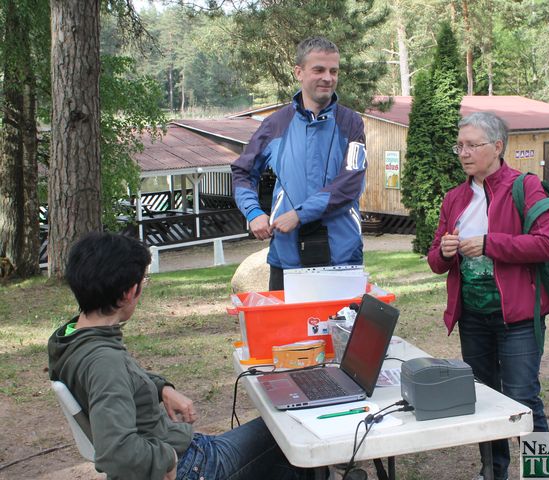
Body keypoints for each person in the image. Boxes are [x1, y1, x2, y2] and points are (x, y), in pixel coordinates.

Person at [48, 232, 311, 480]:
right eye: (143, 282)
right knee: (292, 428)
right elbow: (115, 452)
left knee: (282, 455)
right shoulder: (105, 362)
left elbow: (119, 380)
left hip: (183, 448)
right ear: (129, 292)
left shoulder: (72, 338)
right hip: (189, 466)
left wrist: (161, 388)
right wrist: (166, 459)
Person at [427, 112, 549, 480]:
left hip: (518, 318)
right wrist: (445, 252)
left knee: (522, 398)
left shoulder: (526, 187)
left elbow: (546, 244)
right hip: (473, 318)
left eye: (472, 145)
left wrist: (489, 244)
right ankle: (494, 472)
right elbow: (435, 260)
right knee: (485, 401)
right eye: (460, 146)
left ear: (497, 146)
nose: (464, 153)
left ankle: (544, 473)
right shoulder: (455, 198)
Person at [231, 36, 367, 291]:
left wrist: (299, 214)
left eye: (334, 71)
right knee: (287, 320)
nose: (328, 78)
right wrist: (253, 212)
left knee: (343, 321)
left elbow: (350, 183)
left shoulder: (351, 123)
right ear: (299, 72)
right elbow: (242, 172)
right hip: (287, 258)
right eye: (319, 70)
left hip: (342, 257)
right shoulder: (275, 124)